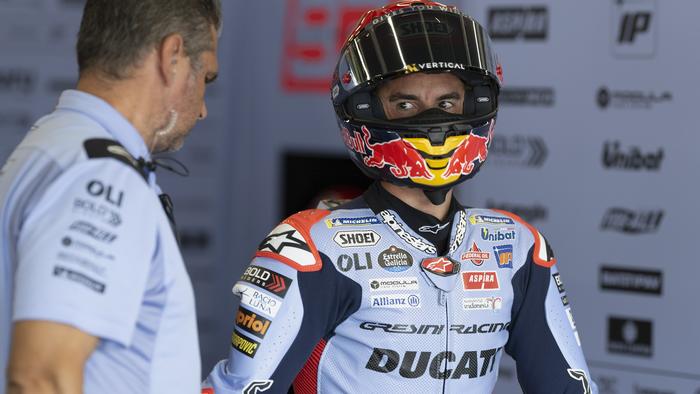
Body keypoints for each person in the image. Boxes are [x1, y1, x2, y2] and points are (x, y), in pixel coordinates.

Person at [204, 2, 596, 393]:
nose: (432, 121)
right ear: (364, 109)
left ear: (475, 104)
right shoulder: (310, 249)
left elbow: (569, 387)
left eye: (446, 102)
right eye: (406, 104)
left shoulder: (517, 246)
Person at [0, 1, 221, 392]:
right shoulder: (101, 175)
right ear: (171, 57)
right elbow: (41, 377)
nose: (203, 109)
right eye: (205, 76)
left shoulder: (56, 144)